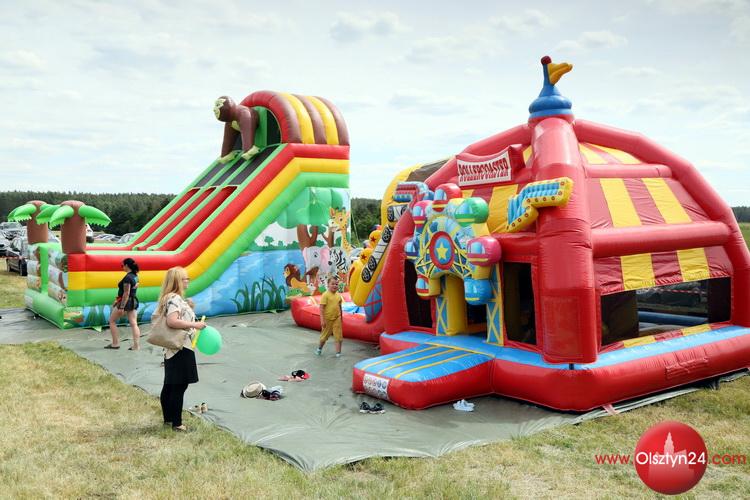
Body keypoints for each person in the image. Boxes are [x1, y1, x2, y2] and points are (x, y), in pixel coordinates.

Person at [156, 267, 206, 432]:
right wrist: (195, 324)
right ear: (178, 281)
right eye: (185, 278)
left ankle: (169, 419)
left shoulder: (169, 298)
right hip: (180, 346)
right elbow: (172, 321)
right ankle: (177, 423)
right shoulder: (175, 299)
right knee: (179, 385)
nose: (188, 281)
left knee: (170, 384)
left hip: (172, 347)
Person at [106, 258, 141, 350]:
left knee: (112, 321)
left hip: (126, 302)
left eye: (122, 265)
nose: (122, 267)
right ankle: (136, 346)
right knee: (134, 323)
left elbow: (126, 293)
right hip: (133, 301)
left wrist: (121, 307)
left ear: (126, 265)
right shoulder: (135, 276)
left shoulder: (127, 278)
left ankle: (115, 343)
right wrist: (117, 300)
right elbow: (133, 288)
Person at [315, 276, 344, 357]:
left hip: (337, 318)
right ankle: (319, 348)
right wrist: (322, 320)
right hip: (327, 319)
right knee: (324, 336)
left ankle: (338, 353)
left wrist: (341, 317)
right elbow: (321, 308)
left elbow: (340, 307)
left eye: (336, 284)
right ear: (328, 285)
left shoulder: (338, 295)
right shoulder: (325, 295)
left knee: (338, 336)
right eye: (332, 284)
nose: (335, 285)